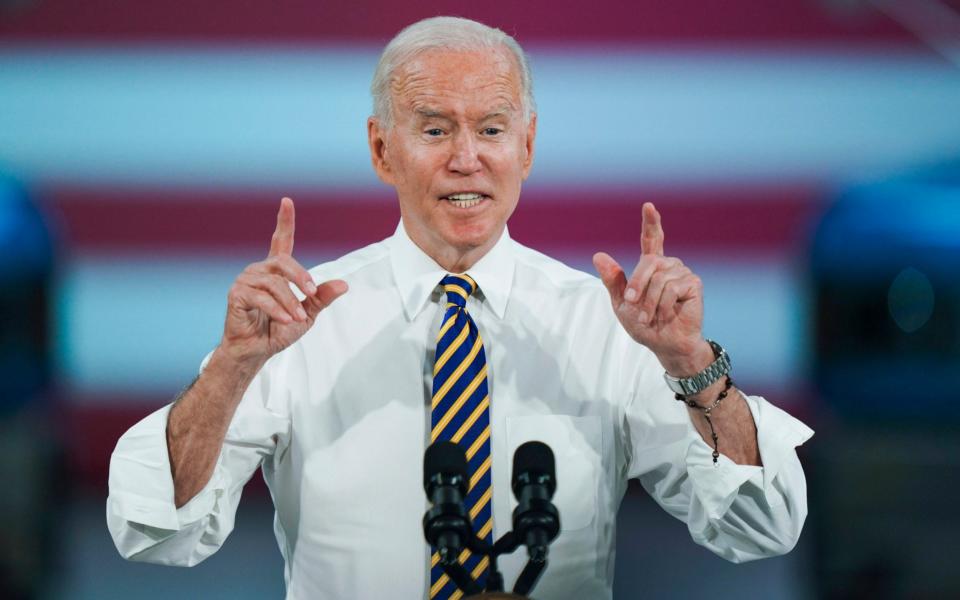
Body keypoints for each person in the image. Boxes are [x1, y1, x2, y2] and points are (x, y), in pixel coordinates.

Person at [107, 16, 813, 600]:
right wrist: (232, 368)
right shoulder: (293, 323)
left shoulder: (607, 324)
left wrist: (690, 362)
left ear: (528, 145)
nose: (467, 158)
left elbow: (761, 528)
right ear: (383, 150)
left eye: (493, 130)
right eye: (436, 129)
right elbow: (152, 532)